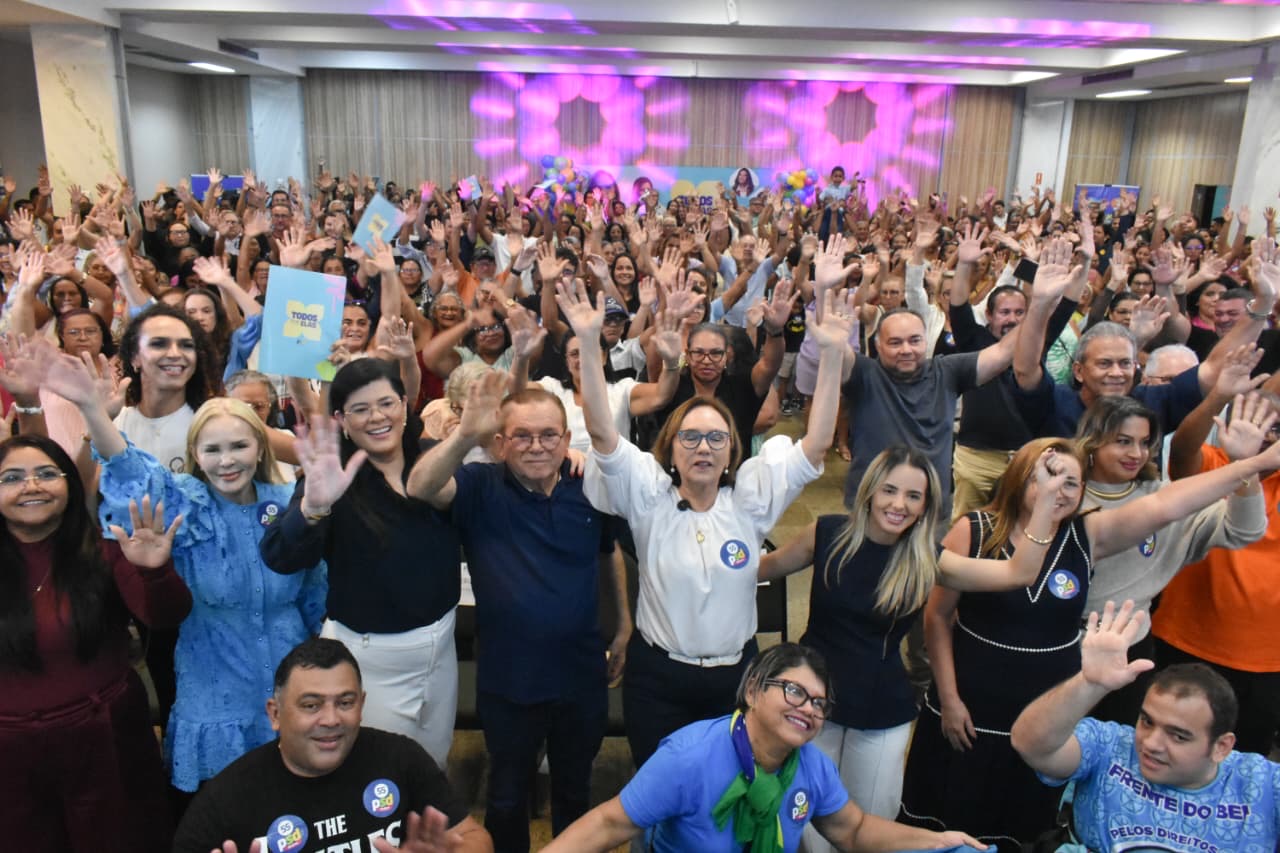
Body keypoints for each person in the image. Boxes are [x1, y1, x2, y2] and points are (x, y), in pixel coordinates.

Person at [899, 426, 1280, 850]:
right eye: (1046, 477)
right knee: (948, 816)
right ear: (1019, 478)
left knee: (1021, 821)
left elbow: (1165, 505)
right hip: (970, 702)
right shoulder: (974, 529)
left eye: (1071, 482)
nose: (1058, 490)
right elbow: (937, 617)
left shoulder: (1088, 534)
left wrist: (1253, 465)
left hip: (1044, 707)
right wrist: (949, 698)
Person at [565, 277, 849, 767]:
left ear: (732, 449)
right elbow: (602, 432)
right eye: (690, 437)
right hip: (658, 680)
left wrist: (830, 355)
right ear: (671, 448)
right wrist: (590, 343)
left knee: (727, 789)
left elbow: (817, 443)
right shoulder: (648, 493)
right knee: (661, 789)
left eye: (716, 438)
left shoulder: (752, 498)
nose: (703, 447)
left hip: (735, 680)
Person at [45, 353, 328, 800]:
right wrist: (93, 411)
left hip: (293, 684)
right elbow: (131, 470)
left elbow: (314, 595)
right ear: (195, 454)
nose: (226, 461)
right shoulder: (185, 505)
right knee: (229, 814)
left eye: (239, 446)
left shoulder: (288, 501)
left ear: (260, 448)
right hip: (215, 692)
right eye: (212, 450)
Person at [759, 445, 1069, 835]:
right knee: (803, 822)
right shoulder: (826, 534)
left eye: (913, 496)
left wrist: (1045, 499)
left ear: (925, 506)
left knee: (871, 824)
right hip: (811, 701)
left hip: (879, 712)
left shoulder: (926, 558)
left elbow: (1017, 574)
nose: (898, 505)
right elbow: (760, 569)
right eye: (889, 490)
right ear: (870, 491)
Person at [406, 368, 631, 852]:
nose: (536, 446)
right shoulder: (478, 486)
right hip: (509, 680)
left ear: (566, 439)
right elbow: (420, 487)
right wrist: (464, 434)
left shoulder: (589, 487)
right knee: (507, 797)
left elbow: (609, 551)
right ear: (500, 444)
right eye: (522, 436)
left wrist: (624, 627)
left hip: (581, 677)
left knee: (575, 792)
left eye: (549, 435)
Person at [541, 643, 987, 853]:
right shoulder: (689, 758)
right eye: (794, 691)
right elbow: (607, 824)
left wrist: (937, 841)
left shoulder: (811, 767)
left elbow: (853, 831)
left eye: (818, 703)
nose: (808, 708)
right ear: (753, 690)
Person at [260, 358, 463, 767]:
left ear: (404, 405)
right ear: (341, 420)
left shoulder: (431, 459)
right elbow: (281, 556)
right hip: (369, 659)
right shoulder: (330, 474)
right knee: (377, 778)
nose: (377, 417)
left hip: (441, 648)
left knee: (432, 766)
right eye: (360, 409)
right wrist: (313, 507)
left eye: (386, 403)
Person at [0, 434, 190, 853]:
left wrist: (156, 572)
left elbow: (165, 616)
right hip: (10, 758)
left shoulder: (106, 547)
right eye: (12, 478)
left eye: (46, 473)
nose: (31, 486)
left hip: (108, 741)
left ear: (70, 483)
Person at [173, 637, 493, 853]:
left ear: (362, 704)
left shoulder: (400, 759)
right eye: (311, 705)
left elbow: (476, 838)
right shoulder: (225, 801)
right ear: (275, 713)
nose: (330, 719)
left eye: (345, 702)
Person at [1011, 600, 1280, 853]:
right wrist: (1088, 684)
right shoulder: (1110, 745)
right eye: (1147, 722)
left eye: (1178, 736)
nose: (1150, 743)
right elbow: (1030, 745)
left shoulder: (1261, 784)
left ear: (1221, 747)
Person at [1076, 390, 1269, 724]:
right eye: (1122, 441)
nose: (1135, 453)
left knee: (1121, 743)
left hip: (1130, 645)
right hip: (1058, 640)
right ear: (1092, 440)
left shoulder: (1168, 498)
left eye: (1144, 443)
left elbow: (1245, 531)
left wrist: (1245, 468)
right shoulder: (1064, 491)